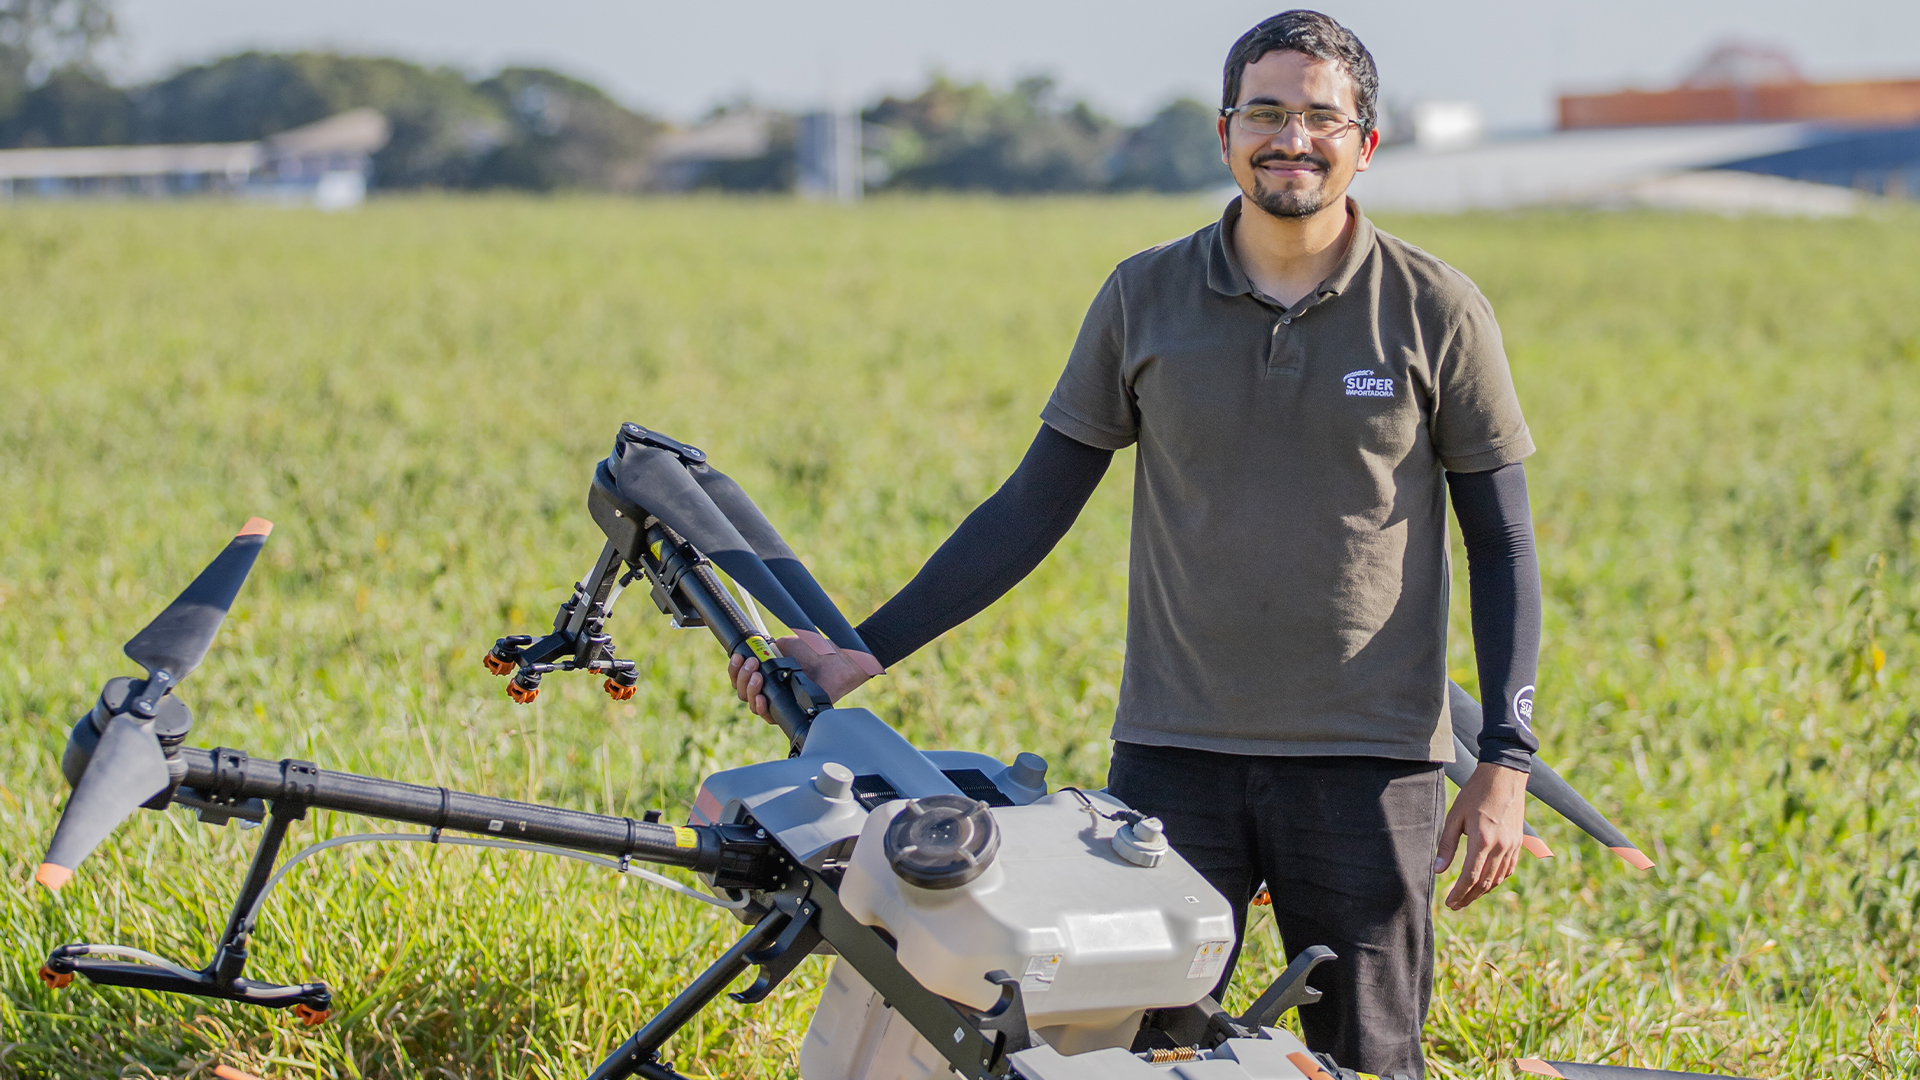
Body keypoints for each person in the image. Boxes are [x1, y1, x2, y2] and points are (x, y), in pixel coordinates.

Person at [730, 11, 1541, 1077]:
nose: (1289, 138)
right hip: (1175, 762)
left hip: (1370, 764)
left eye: (1317, 117)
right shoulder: (1144, 297)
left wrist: (1505, 761)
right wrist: (863, 649)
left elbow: (1504, 543)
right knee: (1138, 1055)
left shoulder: (1435, 309)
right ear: (1223, 133)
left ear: (1365, 142)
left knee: (1369, 1060)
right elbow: (1031, 508)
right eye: (1265, 113)